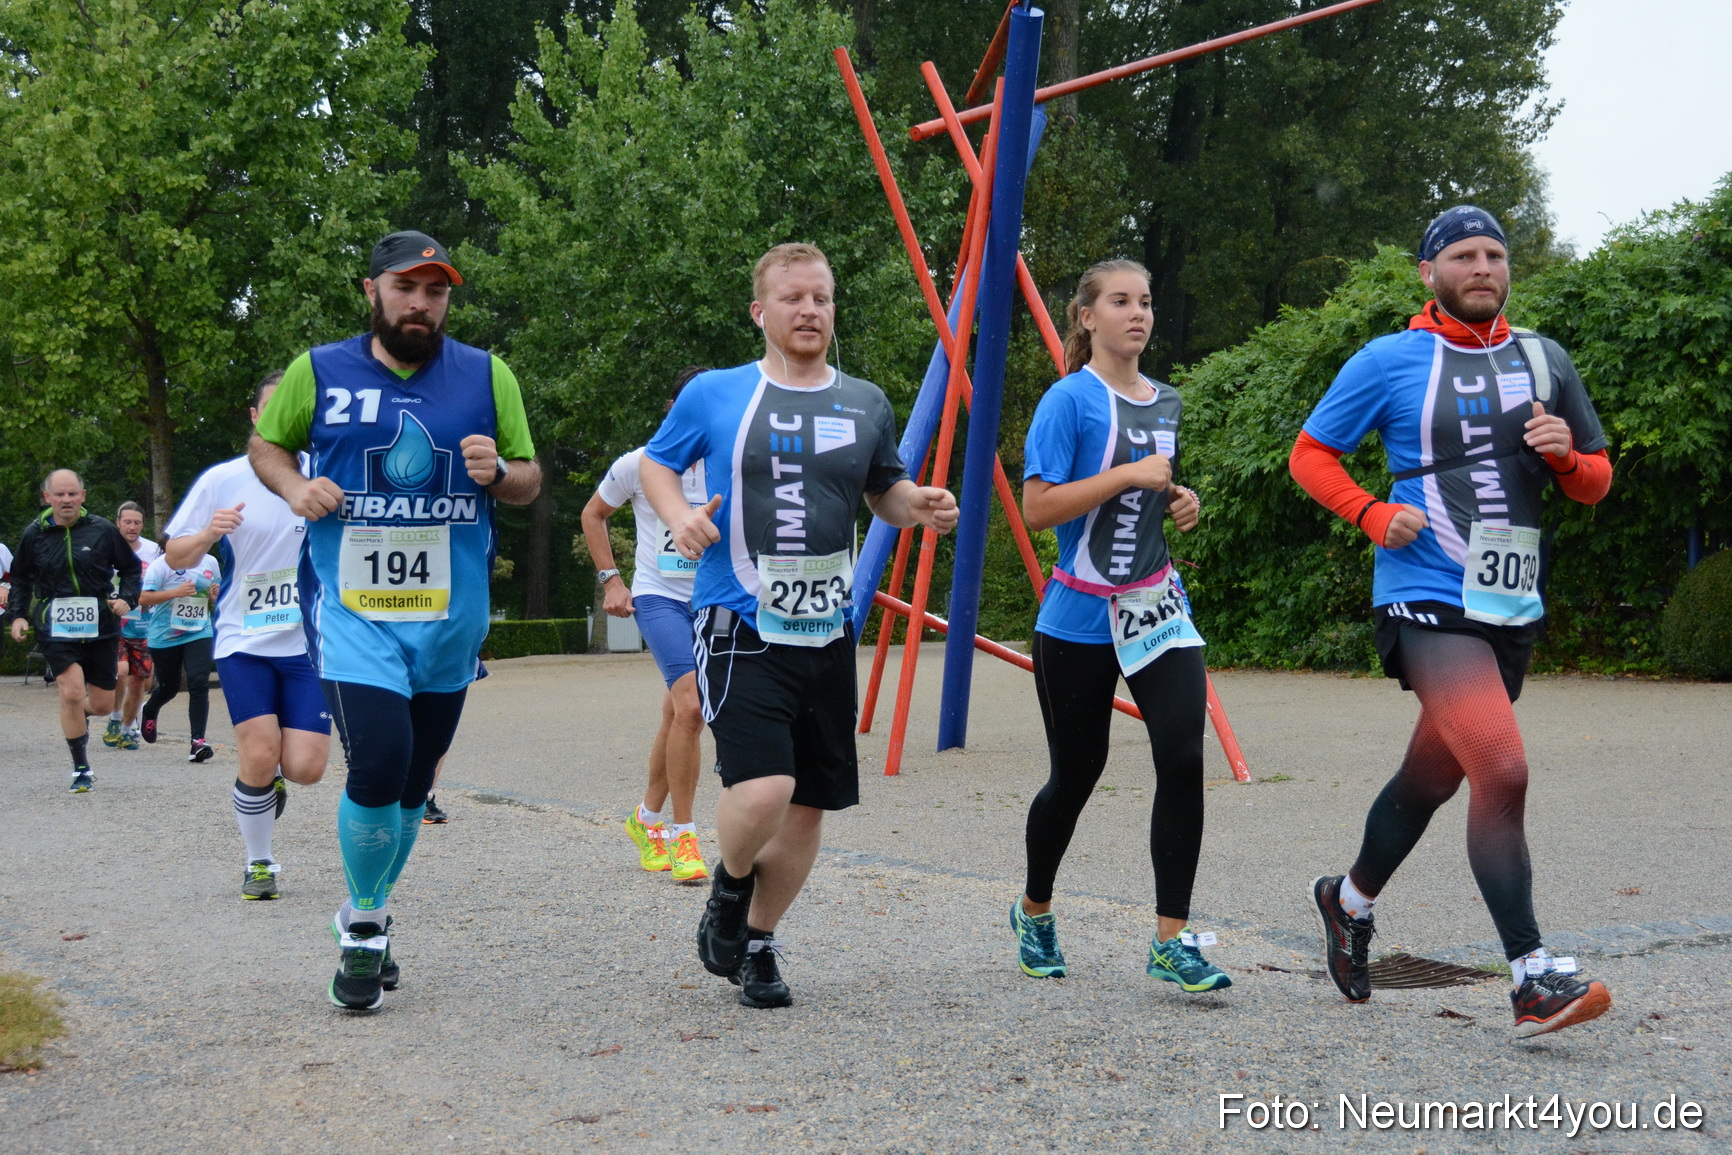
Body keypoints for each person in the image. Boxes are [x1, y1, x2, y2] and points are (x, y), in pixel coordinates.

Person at [1289, 205, 1615, 1039]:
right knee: (1500, 768)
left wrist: (1566, 458)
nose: (1482, 267)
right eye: (1463, 255)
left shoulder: (1545, 359)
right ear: (1428, 271)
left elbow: (1596, 481)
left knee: (1432, 778)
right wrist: (1367, 512)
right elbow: (1310, 454)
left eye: (1494, 254)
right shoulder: (1390, 358)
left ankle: (1348, 899)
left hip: (1509, 605)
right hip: (1424, 593)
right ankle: (1533, 975)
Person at [641, 243, 957, 1009]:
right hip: (739, 620)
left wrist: (917, 506)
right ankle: (729, 882)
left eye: (821, 297)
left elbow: (883, 490)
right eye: (793, 298)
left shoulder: (866, 401)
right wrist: (681, 515)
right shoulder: (718, 393)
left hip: (826, 630)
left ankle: (757, 941)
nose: (810, 310)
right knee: (765, 788)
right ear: (761, 312)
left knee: (809, 802)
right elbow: (655, 464)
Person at [249, 229, 540, 1011]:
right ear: (371, 290)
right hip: (354, 612)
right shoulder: (320, 370)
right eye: (406, 287)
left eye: (436, 290)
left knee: (414, 784)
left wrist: (501, 473)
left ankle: (361, 904)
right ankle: (369, 929)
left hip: (450, 621)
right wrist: (292, 489)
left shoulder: (487, 374)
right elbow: (267, 445)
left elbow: (530, 478)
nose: (421, 303)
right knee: (379, 760)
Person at [1009, 259, 1224, 992]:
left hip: (1157, 605)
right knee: (1076, 774)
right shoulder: (1067, 401)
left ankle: (1172, 937)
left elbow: (1146, 499)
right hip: (1077, 613)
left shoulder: (1168, 399)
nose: (1138, 313)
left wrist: (1179, 500)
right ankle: (1035, 908)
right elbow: (1039, 508)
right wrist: (1132, 477)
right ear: (1086, 317)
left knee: (1184, 756)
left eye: (1147, 300)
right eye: (1122, 301)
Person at [165, 371, 332, 900]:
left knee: (304, 769)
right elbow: (174, 555)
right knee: (259, 755)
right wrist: (209, 534)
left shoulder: (324, 476)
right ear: (257, 417)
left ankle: (269, 786)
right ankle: (259, 862)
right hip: (243, 639)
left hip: (308, 644)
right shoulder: (224, 478)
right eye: (272, 408)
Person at [582, 366, 712, 885]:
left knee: (674, 714)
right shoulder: (640, 463)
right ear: (673, 410)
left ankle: (646, 819)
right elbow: (594, 515)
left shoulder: (731, 463)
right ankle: (684, 836)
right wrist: (613, 582)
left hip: (714, 603)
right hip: (660, 599)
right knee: (691, 706)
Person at [4, 470, 141, 792]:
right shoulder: (33, 535)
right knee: (72, 692)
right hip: (55, 625)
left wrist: (127, 599)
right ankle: (81, 768)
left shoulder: (102, 530)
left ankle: (75, 714)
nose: (66, 500)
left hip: (101, 627)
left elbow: (131, 569)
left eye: (72, 494)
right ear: (47, 497)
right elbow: (20, 579)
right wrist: (18, 616)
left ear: (83, 496)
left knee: (104, 705)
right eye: (59, 495)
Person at [137, 549, 221, 761]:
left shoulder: (210, 562)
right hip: (165, 636)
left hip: (199, 631)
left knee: (198, 682)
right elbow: (143, 598)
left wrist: (214, 598)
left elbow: (216, 596)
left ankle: (197, 741)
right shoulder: (162, 565)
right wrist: (175, 592)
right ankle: (150, 708)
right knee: (169, 688)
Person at [106, 502, 161, 750]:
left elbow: (162, 580)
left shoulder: (153, 550)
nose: (132, 527)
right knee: (121, 670)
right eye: (127, 522)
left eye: (137, 522)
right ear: (118, 523)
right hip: (113, 622)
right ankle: (115, 717)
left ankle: (128, 730)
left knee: (140, 681)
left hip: (143, 624)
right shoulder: (105, 547)